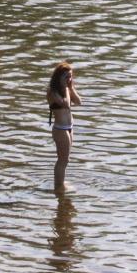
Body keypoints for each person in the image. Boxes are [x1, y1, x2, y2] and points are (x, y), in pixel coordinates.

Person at [47, 61, 82, 193]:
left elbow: (78, 102)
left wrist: (71, 88)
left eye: (70, 76)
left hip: (69, 127)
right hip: (60, 129)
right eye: (66, 77)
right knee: (62, 160)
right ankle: (58, 187)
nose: (69, 79)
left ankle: (60, 183)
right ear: (58, 77)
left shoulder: (67, 89)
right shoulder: (52, 91)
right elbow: (66, 104)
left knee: (66, 160)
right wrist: (66, 89)